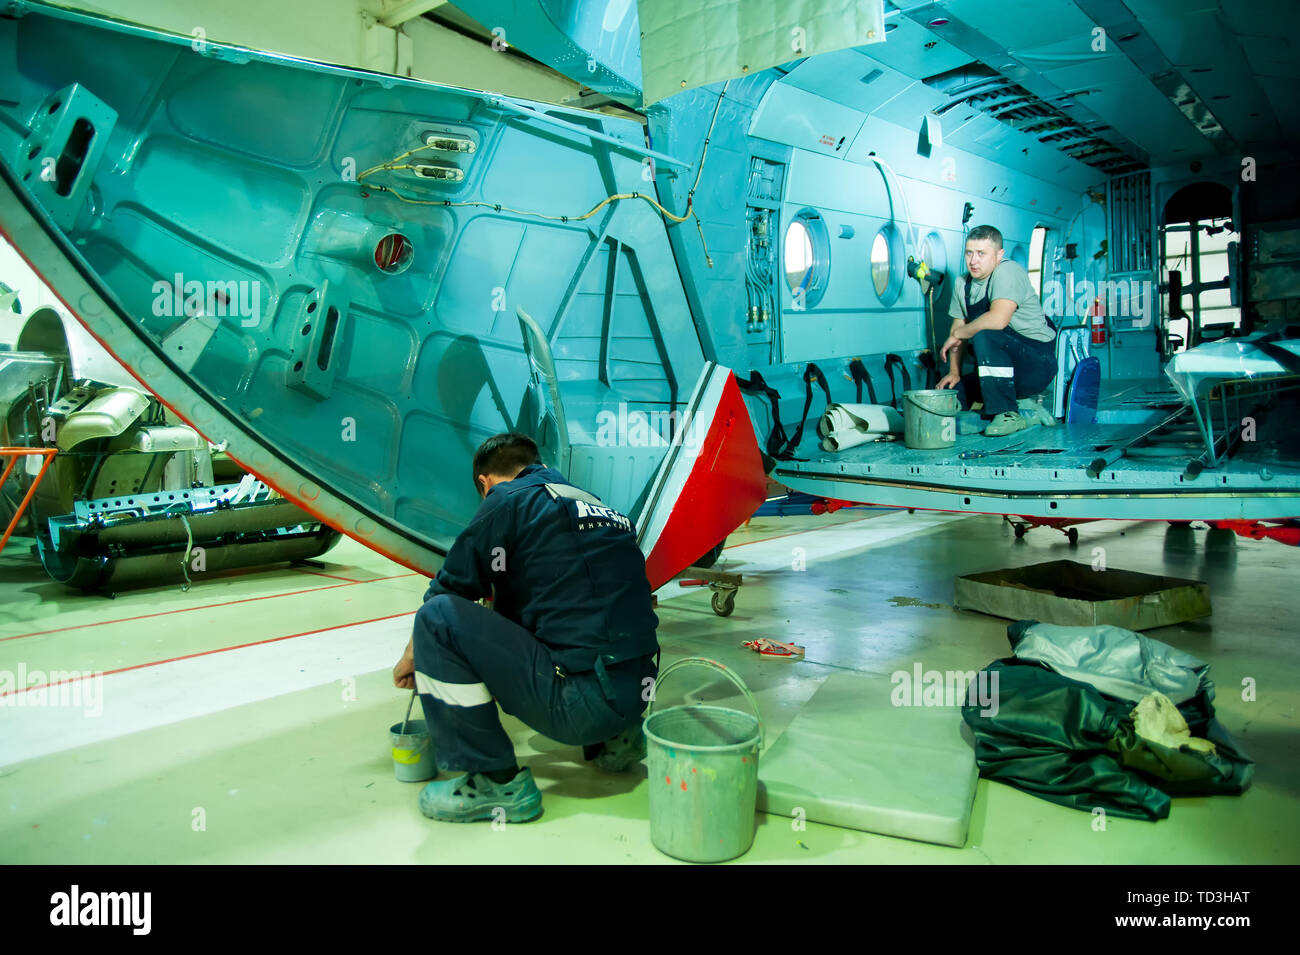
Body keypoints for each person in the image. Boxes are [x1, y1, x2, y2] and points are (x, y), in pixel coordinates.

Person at [391, 432, 659, 823]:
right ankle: (616, 740)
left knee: (437, 619)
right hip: (637, 695)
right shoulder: (594, 503)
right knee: (587, 620)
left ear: (484, 483)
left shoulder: (507, 499)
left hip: (581, 706)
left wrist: (412, 656)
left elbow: (450, 589)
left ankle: (495, 782)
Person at [938, 225, 1058, 436]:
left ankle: (1008, 414)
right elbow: (957, 327)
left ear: (999, 254)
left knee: (985, 332)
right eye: (969, 253)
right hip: (999, 370)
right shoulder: (961, 284)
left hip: (1036, 365)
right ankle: (1027, 412)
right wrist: (954, 372)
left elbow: (998, 319)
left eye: (981, 254)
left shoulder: (1008, 271)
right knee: (949, 397)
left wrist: (958, 334)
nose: (973, 260)